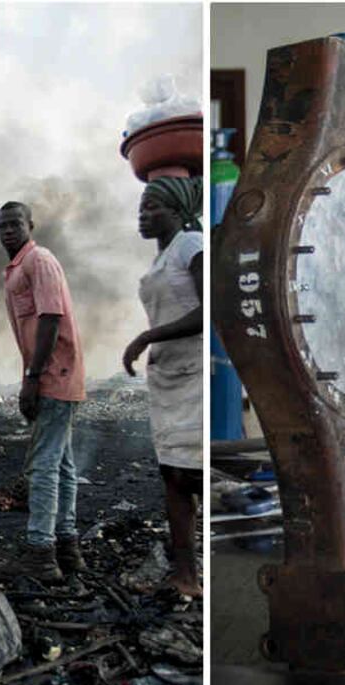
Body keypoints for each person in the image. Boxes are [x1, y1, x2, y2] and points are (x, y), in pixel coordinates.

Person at [0, 200, 87, 582]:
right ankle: (68, 549)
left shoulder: (40, 261)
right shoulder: (18, 268)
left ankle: (40, 552)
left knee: (44, 465)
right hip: (51, 372)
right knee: (62, 464)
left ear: (30, 225)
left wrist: (34, 377)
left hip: (53, 373)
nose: (8, 231)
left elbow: (52, 316)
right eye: (2, 226)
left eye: (15, 224)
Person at [123, 177, 204, 597]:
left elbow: (207, 310)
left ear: (176, 210)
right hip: (168, 379)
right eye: (141, 206)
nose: (143, 213)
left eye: (152, 206)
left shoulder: (192, 244)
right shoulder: (159, 261)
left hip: (194, 375)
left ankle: (198, 572)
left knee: (193, 472)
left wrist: (147, 338)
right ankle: (186, 575)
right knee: (172, 475)